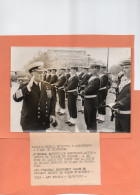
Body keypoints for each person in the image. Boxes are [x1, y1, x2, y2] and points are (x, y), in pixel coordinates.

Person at [13, 62, 56, 131]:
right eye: (39, 73)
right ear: (32, 74)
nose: (42, 75)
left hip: (43, 123)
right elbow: (15, 98)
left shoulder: (48, 86)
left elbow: (52, 100)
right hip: (29, 124)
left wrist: (52, 114)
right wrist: (27, 88)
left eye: (43, 73)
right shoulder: (25, 85)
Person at [112, 59, 131, 133]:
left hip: (128, 116)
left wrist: (119, 103)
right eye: (123, 68)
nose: (123, 70)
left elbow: (130, 97)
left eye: (126, 67)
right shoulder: (124, 80)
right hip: (119, 114)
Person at [82, 63, 100, 132]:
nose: (91, 70)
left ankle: (93, 133)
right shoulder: (91, 77)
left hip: (92, 100)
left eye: (93, 68)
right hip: (87, 99)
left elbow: (90, 88)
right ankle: (89, 130)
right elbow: (85, 85)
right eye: (91, 68)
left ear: (97, 69)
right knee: (86, 117)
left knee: (91, 118)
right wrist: (83, 91)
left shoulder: (97, 79)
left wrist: (83, 91)